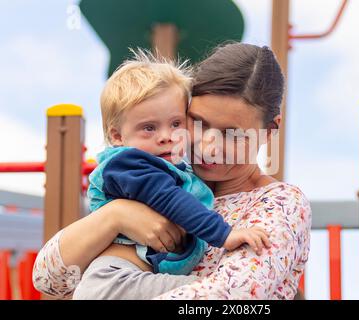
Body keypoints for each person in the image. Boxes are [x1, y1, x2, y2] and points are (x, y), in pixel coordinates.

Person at [33, 43, 311, 300]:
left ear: (270, 130)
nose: (208, 146)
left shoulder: (279, 204)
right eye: (198, 122)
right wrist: (114, 216)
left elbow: (231, 296)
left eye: (232, 134)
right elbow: (49, 279)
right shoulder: (164, 179)